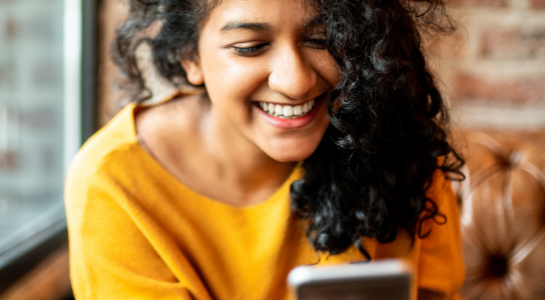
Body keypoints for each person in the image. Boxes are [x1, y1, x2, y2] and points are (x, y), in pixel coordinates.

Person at [64, 0, 465, 298]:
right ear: (189, 56)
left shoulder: (397, 141)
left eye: (322, 39)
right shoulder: (115, 183)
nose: (295, 81)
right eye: (249, 46)